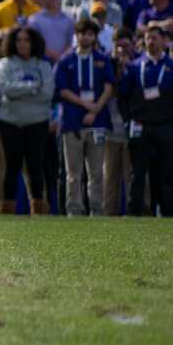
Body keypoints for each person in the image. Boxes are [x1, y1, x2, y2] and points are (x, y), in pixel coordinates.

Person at [117, 26, 173, 217]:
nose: (150, 42)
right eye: (147, 39)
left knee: (168, 171)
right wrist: (127, 120)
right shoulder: (134, 67)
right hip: (141, 125)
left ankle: (169, 211)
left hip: (167, 125)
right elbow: (122, 95)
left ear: (164, 40)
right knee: (138, 172)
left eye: (154, 38)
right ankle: (135, 211)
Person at [54, 18, 116, 216]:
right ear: (76, 35)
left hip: (97, 122)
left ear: (95, 36)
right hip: (72, 122)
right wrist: (86, 105)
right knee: (73, 172)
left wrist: (95, 109)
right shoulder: (66, 60)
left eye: (90, 33)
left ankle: (96, 210)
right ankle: (74, 210)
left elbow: (109, 87)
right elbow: (62, 90)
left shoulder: (102, 59)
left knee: (96, 172)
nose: (86, 37)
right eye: (82, 33)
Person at [0, 26, 56, 214]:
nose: (22, 44)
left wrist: (19, 91)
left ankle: (38, 208)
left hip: (38, 121)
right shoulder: (4, 64)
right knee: (11, 166)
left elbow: (47, 93)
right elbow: (6, 89)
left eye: (26, 40)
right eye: (18, 40)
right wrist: (33, 87)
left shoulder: (43, 65)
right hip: (10, 122)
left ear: (33, 42)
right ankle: (7, 208)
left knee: (36, 165)